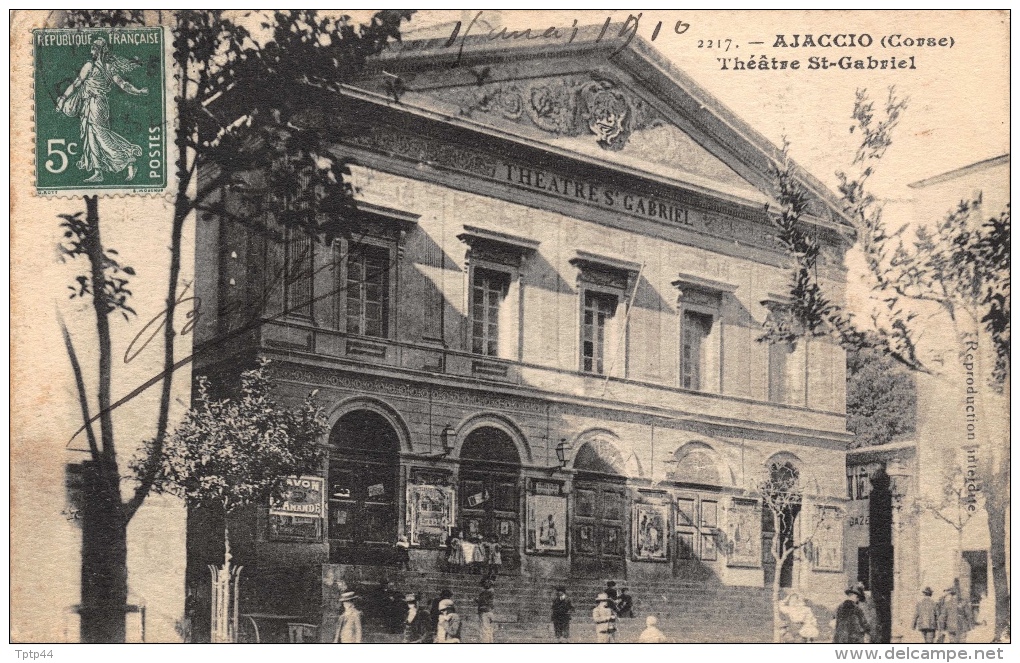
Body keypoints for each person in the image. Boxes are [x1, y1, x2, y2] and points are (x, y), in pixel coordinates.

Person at [55, 38, 148, 183]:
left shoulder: (92, 66)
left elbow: (77, 83)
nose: (91, 51)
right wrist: (63, 98)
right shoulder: (107, 67)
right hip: (92, 104)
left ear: (100, 51)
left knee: (101, 135)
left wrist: (138, 91)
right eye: (92, 48)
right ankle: (98, 172)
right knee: (91, 137)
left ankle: (128, 158)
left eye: (94, 49)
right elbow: (77, 84)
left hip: (96, 104)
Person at [477, 578, 496, 643]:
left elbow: (482, 601)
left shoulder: (488, 591)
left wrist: (477, 600)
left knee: (485, 630)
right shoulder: (490, 591)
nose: (483, 585)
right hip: (489, 611)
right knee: (489, 630)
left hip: (485, 611)